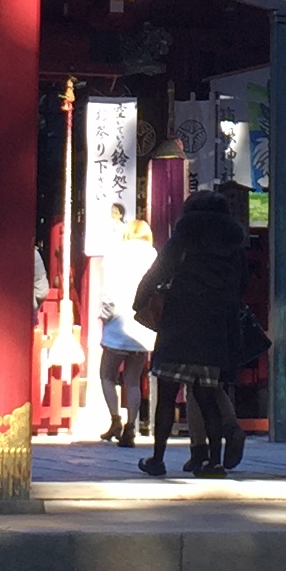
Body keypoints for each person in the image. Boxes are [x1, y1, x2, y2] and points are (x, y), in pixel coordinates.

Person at [135, 186, 247, 478]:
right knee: (207, 395)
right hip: (214, 326)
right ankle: (214, 461)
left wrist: (140, 300)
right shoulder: (234, 243)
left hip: (180, 321)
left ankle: (157, 459)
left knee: (168, 393)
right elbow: (241, 285)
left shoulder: (185, 236)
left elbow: (159, 271)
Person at [93, 204, 155, 447]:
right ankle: (132, 426)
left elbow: (108, 290)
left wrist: (105, 314)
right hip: (142, 326)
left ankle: (115, 419)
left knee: (107, 374)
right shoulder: (153, 255)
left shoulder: (115, 252)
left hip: (118, 322)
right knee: (133, 379)